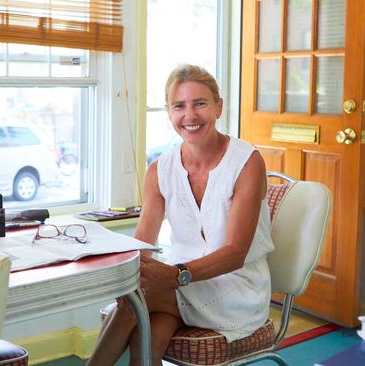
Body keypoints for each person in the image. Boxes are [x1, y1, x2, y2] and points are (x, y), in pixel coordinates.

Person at [87, 64, 275, 366]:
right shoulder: (159, 170)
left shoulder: (247, 162)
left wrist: (173, 276)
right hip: (180, 284)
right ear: (169, 112)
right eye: (179, 106)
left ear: (218, 107)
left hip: (236, 287)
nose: (190, 115)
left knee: (133, 304)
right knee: (146, 336)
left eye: (200, 103)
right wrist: (122, 270)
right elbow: (143, 244)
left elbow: (235, 254)